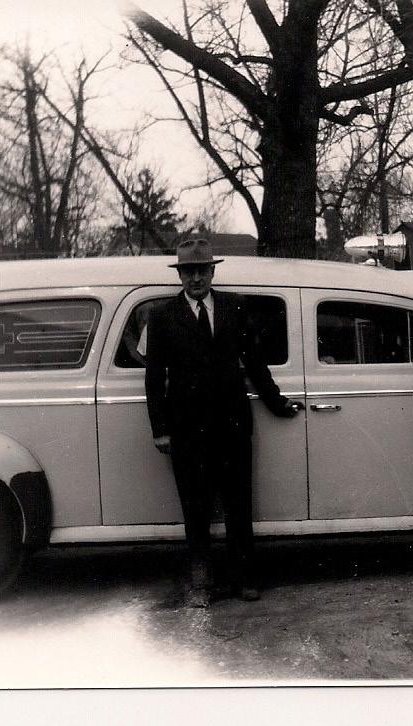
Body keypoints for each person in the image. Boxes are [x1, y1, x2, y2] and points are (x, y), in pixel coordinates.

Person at [144, 238, 302, 608]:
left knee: (238, 505)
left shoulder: (235, 306)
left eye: (202, 270)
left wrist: (277, 402)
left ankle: (244, 579)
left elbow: (255, 363)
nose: (196, 278)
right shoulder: (162, 316)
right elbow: (153, 377)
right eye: (189, 272)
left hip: (232, 425)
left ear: (212, 272)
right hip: (186, 429)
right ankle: (201, 584)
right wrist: (160, 429)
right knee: (195, 508)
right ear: (180, 275)